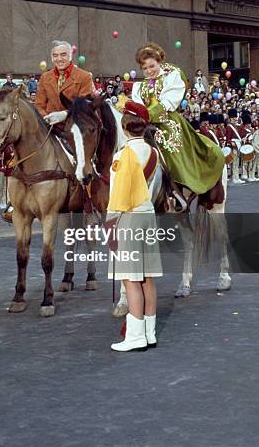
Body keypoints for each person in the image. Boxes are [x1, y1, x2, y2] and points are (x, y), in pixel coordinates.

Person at [131, 43, 224, 196]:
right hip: (144, 123)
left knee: (170, 149)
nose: (149, 71)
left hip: (168, 121)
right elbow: (138, 104)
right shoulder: (139, 86)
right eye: (145, 68)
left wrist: (148, 114)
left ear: (159, 61)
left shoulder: (172, 77)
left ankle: (178, 187)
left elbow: (170, 101)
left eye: (152, 66)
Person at [107, 101, 162, 352]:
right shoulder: (154, 153)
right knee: (147, 278)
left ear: (124, 127)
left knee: (130, 279)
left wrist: (109, 226)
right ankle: (149, 332)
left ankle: (135, 336)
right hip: (148, 215)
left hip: (128, 218)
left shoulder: (121, 157)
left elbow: (116, 196)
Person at [35, 40, 93, 125]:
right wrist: (46, 118)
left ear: (70, 56)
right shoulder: (45, 77)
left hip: (75, 127)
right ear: (52, 58)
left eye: (63, 55)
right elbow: (39, 105)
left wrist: (66, 114)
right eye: (55, 55)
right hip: (49, 127)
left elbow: (84, 105)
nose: (59, 59)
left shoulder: (85, 76)